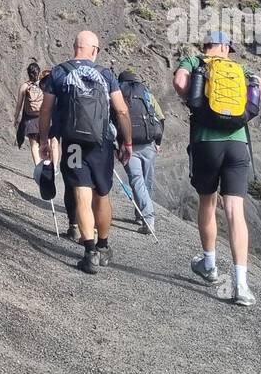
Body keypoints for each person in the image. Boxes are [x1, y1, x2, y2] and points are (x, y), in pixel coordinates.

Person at [172, 30, 261, 307]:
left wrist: (198, 105)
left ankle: (209, 265)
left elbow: (180, 83)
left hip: (206, 142)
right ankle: (241, 285)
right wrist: (239, 114)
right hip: (238, 143)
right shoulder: (240, 68)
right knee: (234, 210)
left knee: (207, 201)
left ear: (206, 46)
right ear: (226, 48)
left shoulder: (194, 61)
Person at [38, 30, 133, 275]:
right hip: (100, 144)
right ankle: (103, 245)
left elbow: (45, 110)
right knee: (101, 194)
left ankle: (89, 252)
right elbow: (121, 111)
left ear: (74, 47)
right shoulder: (105, 75)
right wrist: (127, 142)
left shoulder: (59, 72)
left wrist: (44, 140)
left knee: (81, 193)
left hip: (73, 143)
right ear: (95, 50)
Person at [115, 67, 162, 235]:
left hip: (129, 145)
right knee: (146, 182)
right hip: (149, 144)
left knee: (137, 180)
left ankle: (148, 218)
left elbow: (114, 117)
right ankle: (140, 215)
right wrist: (158, 141)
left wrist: (117, 143)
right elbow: (159, 117)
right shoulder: (146, 93)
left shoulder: (118, 93)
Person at [13, 62, 58, 171]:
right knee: (46, 142)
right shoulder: (44, 84)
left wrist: (16, 118)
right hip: (44, 117)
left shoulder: (24, 86)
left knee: (34, 145)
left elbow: (19, 104)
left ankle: (38, 168)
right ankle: (49, 166)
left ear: (28, 73)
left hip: (30, 119)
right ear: (38, 72)